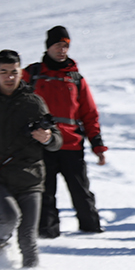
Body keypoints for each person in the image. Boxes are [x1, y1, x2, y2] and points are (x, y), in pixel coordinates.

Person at [24, 26, 107, 238]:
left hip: (71, 144)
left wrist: (97, 145)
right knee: (45, 194)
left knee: (81, 193)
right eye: (58, 45)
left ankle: (92, 233)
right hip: (42, 145)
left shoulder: (76, 78)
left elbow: (89, 113)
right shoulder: (32, 74)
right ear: (48, 47)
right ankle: (47, 235)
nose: (62, 50)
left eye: (65, 46)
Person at [0, 50, 62, 268]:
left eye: (14, 72)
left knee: (28, 237)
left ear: (21, 72)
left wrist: (48, 138)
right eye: (4, 72)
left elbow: (57, 140)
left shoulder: (33, 102)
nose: (9, 77)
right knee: (10, 216)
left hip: (30, 177)